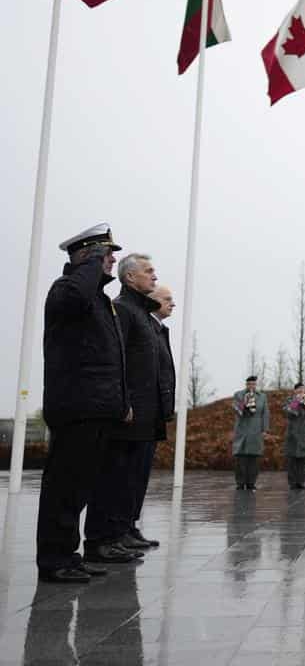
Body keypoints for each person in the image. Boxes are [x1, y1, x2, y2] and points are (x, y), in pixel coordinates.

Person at [36, 223, 133, 582]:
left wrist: (121, 401)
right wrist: (90, 265)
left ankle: (67, 554)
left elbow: (113, 359)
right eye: (105, 254)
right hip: (76, 408)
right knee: (63, 489)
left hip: (98, 409)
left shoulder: (99, 301)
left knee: (78, 489)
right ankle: (54, 559)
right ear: (86, 257)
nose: (112, 260)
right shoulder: (66, 291)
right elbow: (76, 295)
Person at [85, 253, 162, 559]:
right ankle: (101, 540)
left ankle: (118, 533)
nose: (154, 276)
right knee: (112, 478)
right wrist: (123, 402)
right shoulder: (123, 310)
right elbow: (117, 362)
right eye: (149, 271)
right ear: (130, 277)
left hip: (143, 413)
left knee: (128, 479)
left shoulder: (140, 312)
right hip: (127, 413)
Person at [128, 284, 175, 548]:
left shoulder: (157, 328)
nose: (173, 303)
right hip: (139, 412)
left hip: (152, 413)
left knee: (140, 474)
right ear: (151, 301)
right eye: (167, 299)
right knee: (128, 474)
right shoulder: (142, 323)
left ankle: (128, 525)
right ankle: (119, 529)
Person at [232, 376, 269, 490]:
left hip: (256, 431)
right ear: (246, 385)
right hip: (242, 431)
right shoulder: (239, 395)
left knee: (254, 459)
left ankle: (251, 483)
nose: (251, 386)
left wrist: (264, 429)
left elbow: (265, 413)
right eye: (249, 384)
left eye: (253, 384)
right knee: (240, 459)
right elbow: (236, 409)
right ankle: (240, 483)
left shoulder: (262, 396)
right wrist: (245, 403)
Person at [282, 383, 305, 489]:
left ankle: (301, 482)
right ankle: (292, 483)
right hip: (293, 433)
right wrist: (297, 401)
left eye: (303, 389)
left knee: (303, 459)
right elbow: (288, 413)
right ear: (295, 390)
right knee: (292, 459)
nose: (302, 391)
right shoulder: (289, 401)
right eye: (299, 389)